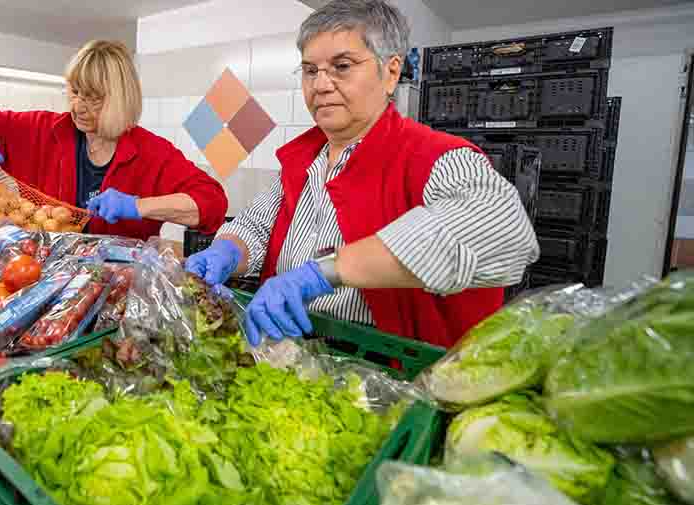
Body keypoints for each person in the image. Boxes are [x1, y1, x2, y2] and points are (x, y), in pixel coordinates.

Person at [186, 0, 539, 348]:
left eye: (342, 66)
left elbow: (504, 233)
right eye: (310, 70)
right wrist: (228, 251)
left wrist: (322, 273)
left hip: (384, 367)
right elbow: (256, 226)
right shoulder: (303, 159)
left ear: (391, 72)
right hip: (289, 350)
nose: (320, 85)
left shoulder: (436, 157)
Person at [0, 40, 228, 239]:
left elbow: (212, 203)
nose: (77, 107)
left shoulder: (152, 153)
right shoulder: (46, 130)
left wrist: (137, 207)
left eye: (92, 98)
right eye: (74, 92)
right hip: (42, 275)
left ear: (120, 100)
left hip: (116, 287)